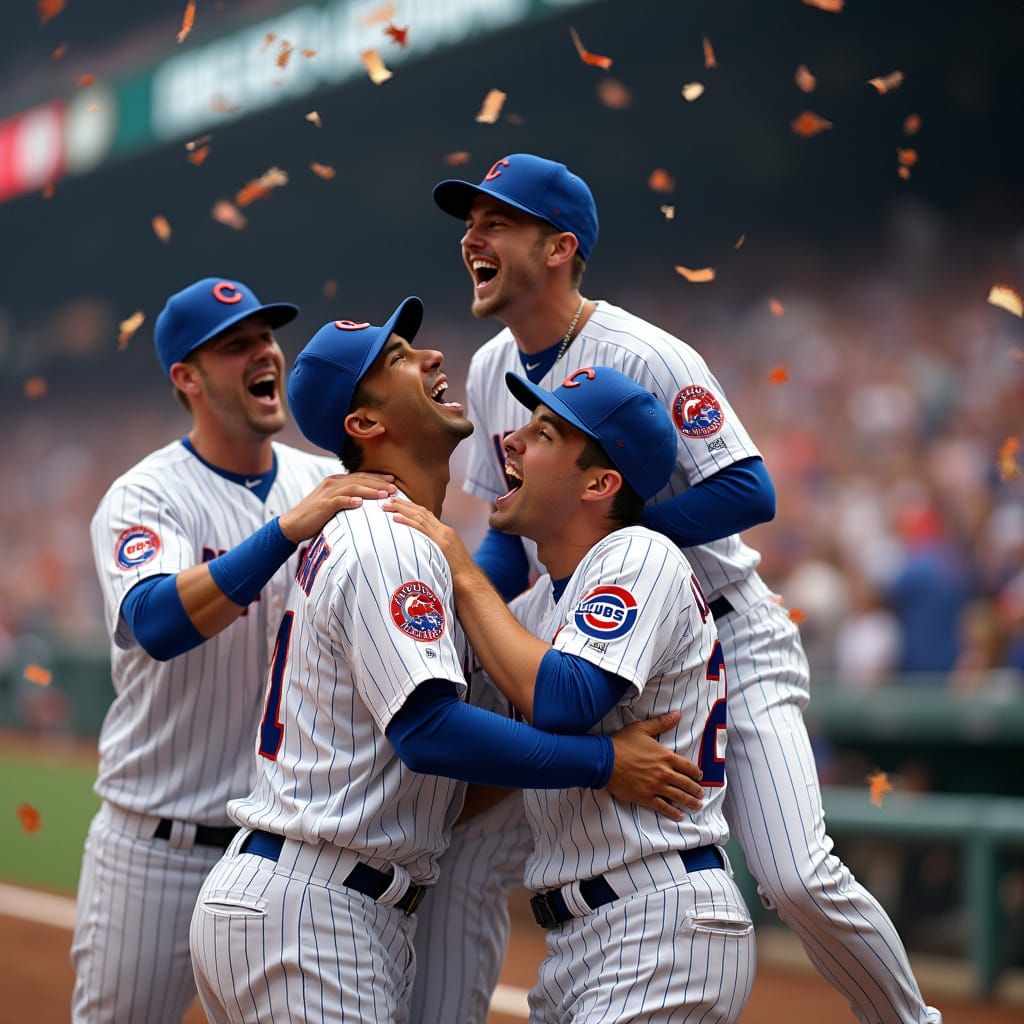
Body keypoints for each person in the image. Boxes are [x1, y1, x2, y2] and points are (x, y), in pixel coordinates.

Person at [416, 153, 942, 1024]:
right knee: (466, 848)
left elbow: (750, 490)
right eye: (470, 223)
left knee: (794, 874)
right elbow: (507, 546)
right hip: (588, 641)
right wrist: (463, 617)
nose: (471, 237)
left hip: (723, 631)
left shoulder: (645, 353)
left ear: (559, 248)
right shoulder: (488, 372)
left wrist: (619, 540)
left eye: (496, 222)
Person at [188, 297, 703, 1024]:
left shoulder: (397, 536)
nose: (432, 357)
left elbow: (468, 765)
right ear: (365, 425)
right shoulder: (392, 538)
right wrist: (604, 764)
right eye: (399, 358)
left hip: (314, 897)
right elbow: (429, 734)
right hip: (315, 908)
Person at [389, 365, 756, 1021]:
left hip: (660, 920)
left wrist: (461, 568)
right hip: (582, 936)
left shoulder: (640, 553)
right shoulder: (532, 611)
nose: (512, 442)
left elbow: (565, 700)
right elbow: (477, 750)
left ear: (600, 482)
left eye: (545, 432)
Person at [72, 277, 395, 1024]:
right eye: (235, 344)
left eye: (266, 336)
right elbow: (155, 621)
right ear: (186, 377)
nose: (265, 352)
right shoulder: (146, 494)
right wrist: (286, 531)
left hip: (284, 862)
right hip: (158, 848)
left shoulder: (326, 480)